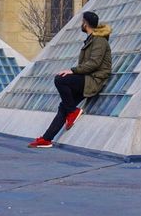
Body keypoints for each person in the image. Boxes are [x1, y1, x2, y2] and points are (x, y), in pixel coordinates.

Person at [28, 11, 112, 148]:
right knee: (64, 107)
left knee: (60, 79)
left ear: (85, 23)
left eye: (82, 22)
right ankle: (46, 139)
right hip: (87, 78)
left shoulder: (99, 40)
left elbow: (94, 64)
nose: (81, 24)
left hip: (94, 80)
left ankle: (73, 111)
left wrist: (72, 71)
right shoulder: (93, 39)